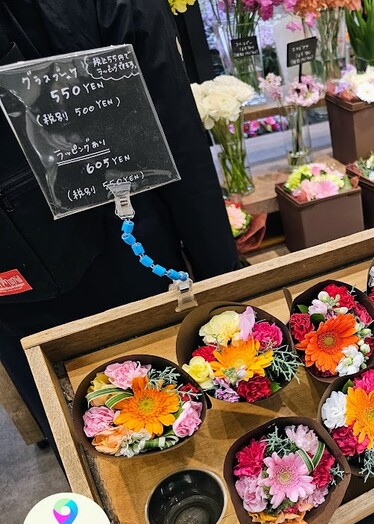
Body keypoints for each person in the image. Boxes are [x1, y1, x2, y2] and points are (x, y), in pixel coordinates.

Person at [0, 0, 239, 446]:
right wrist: (222, 279)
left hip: (24, 282)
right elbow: (177, 132)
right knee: (171, 425)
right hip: (130, 250)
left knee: (90, 440)